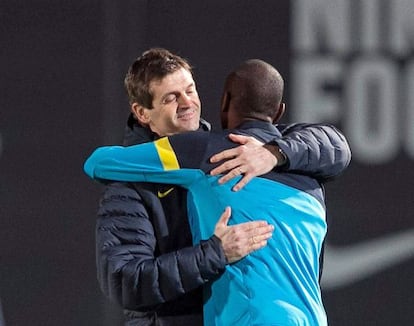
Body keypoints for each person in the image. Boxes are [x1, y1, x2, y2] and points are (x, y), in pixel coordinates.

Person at [92, 48, 351, 325]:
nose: (186, 103)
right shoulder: (130, 185)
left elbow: (335, 145)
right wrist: (214, 253)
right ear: (142, 113)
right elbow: (124, 282)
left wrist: (274, 154)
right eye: (171, 98)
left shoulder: (242, 152)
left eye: (190, 90)